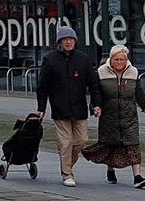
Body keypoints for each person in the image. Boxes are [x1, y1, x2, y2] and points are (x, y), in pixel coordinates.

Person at [35, 25, 102, 187]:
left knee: (81, 140)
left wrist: (97, 104)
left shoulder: (83, 59)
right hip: (60, 109)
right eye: (65, 39)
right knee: (65, 143)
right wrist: (41, 108)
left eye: (71, 39)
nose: (68, 42)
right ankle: (67, 174)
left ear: (75, 41)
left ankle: (67, 165)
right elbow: (42, 86)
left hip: (79, 109)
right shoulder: (50, 60)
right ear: (60, 42)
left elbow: (93, 84)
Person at [81, 44, 145, 188]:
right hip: (108, 116)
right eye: (116, 59)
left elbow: (137, 91)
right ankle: (110, 171)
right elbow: (95, 94)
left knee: (133, 145)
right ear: (110, 59)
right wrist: (95, 107)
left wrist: (143, 105)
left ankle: (137, 177)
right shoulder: (101, 72)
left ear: (127, 60)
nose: (119, 62)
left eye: (122, 59)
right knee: (110, 144)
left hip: (129, 116)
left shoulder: (133, 72)